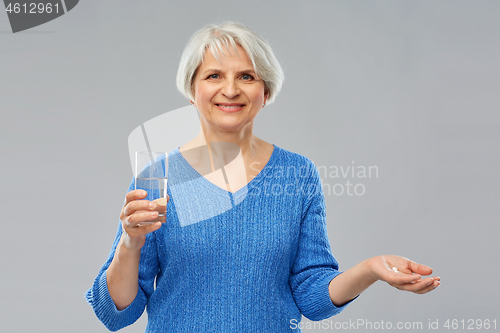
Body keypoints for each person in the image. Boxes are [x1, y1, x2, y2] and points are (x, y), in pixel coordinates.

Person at [86, 21, 440, 332]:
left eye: (246, 76)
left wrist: (369, 269)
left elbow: (312, 297)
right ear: (192, 91)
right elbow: (116, 313)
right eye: (213, 75)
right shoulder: (155, 179)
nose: (230, 89)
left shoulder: (298, 174)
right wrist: (130, 244)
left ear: (265, 92)